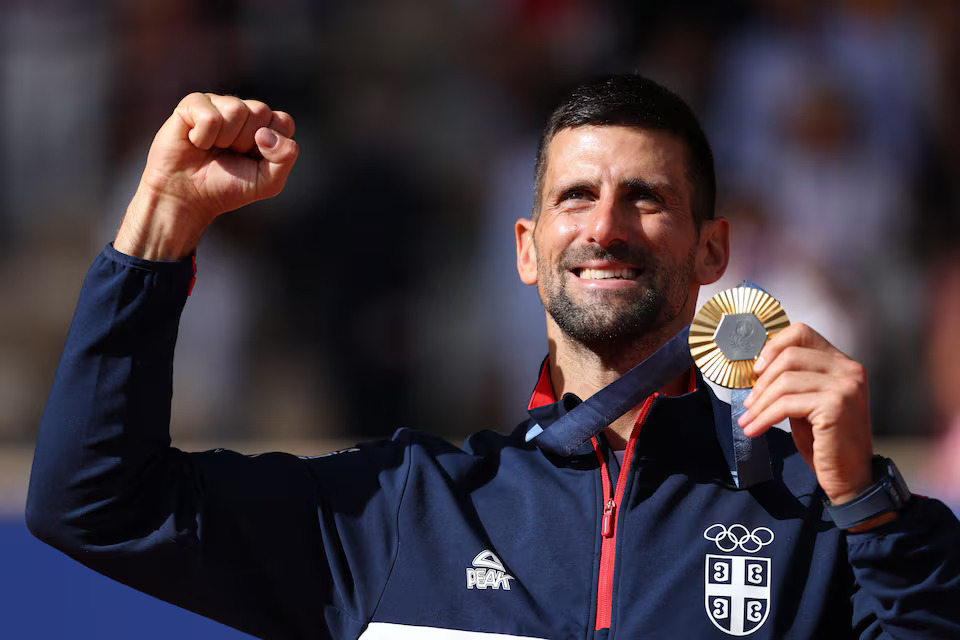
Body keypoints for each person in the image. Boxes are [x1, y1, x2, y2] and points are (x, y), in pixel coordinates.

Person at [26, 75, 960, 639]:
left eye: (645, 198)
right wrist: (161, 225)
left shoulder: (809, 514)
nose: (604, 225)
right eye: (576, 197)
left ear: (712, 250)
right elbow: (94, 503)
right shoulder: (400, 514)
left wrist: (870, 509)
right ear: (525, 247)